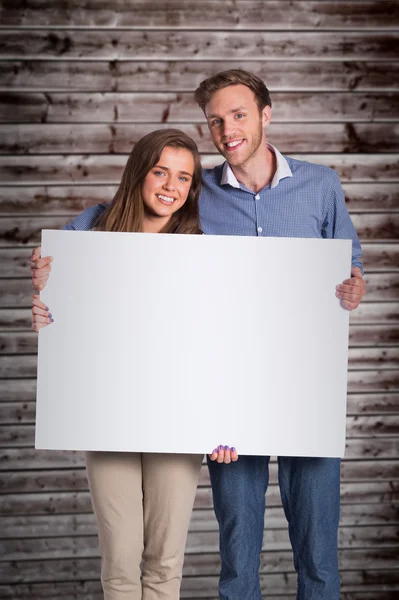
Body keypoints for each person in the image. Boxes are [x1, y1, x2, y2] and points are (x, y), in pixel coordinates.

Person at [31, 70, 366, 599]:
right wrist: (53, 275)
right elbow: (110, 223)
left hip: (304, 392)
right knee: (235, 560)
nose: (227, 129)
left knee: (320, 557)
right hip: (223, 406)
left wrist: (353, 288)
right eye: (216, 120)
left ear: (265, 115)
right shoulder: (199, 191)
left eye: (238, 115)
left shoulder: (320, 185)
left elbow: (348, 267)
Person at [31, 128, 234, 600]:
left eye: (183, 177)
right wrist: (45, 305)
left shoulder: (206, 248)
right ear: (138, 172)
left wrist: (228, 418)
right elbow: (54, 281)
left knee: (164, 560)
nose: (170, 185)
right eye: (160, 171)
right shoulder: (95, 234)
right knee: (121, 559)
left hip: (178, 417)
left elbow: (222, 341)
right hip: (110, 415)